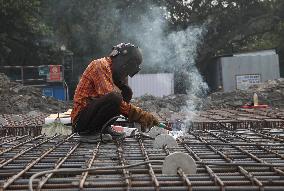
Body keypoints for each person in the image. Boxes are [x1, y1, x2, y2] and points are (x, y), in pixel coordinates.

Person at [71, 43, 159, 143]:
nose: (125, 75)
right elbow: (111, 97)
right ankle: (88, 133)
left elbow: (122, 102)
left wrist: (140, 116)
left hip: (92, 116)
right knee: (115, 97)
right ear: (122, 61)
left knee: (126, 92)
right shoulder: (99, 66)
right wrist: (140, 116)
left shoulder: (114, 74)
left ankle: (103, 128)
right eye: (125, 71)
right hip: (81, 121)